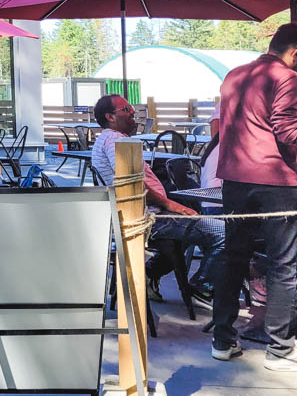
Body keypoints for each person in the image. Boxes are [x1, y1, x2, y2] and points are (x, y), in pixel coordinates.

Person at [211, 23, 297, 370]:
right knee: (283, 264)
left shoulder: (234, 74)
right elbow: (288, 128)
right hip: (276, 182)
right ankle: (280, 349)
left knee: (232, 259)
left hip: (234, 179)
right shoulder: (288, 77)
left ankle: (222, 341)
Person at [89, 94, 224, 305]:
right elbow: (132, 186)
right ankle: (202, 287)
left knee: (188, 237)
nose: (133, 113)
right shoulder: (115, 141)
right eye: (126, 109)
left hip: (143, 215)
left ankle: (150, 274)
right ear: (110, 117)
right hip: (149, 218)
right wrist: (171, 205)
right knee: (225, 233)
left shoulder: (106, 140)